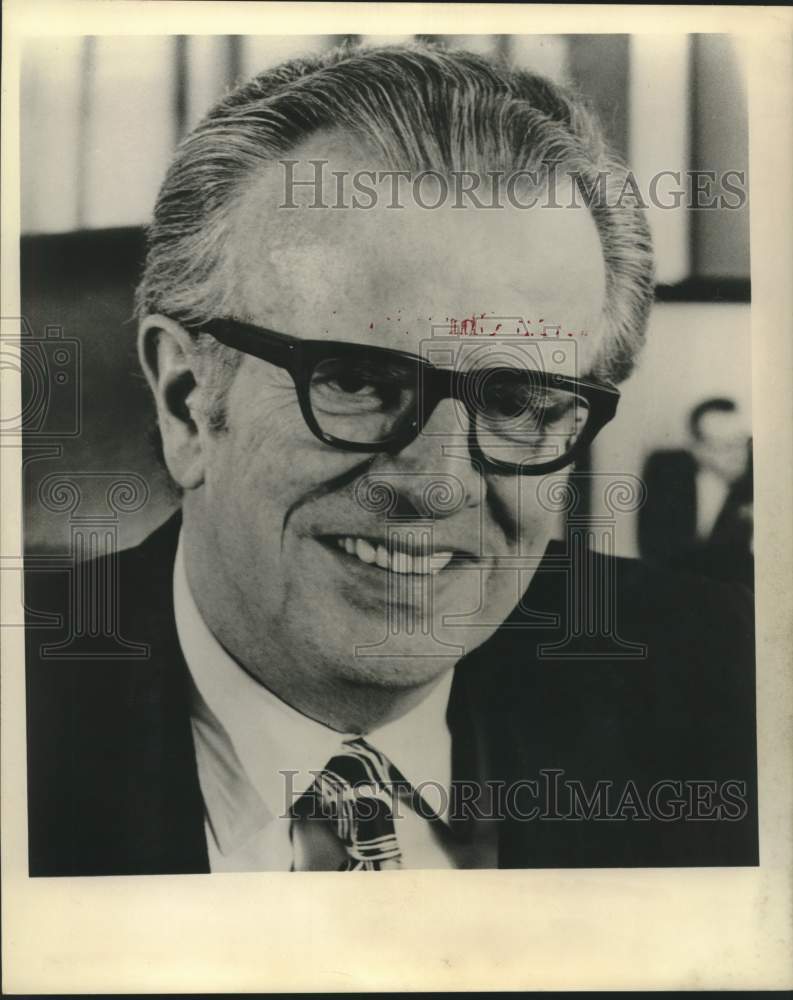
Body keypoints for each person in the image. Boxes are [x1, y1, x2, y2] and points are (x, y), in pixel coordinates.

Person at [25, 43, 757, 875]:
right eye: (357, 380)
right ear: (187, 398)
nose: (438, 482)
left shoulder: (721, 678)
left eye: (516, 401)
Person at [639, 398, 754, 589]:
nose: (739, 454)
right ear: (697, 449)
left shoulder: (760, 480)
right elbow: (655, 549)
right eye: (726, 446)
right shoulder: (665, 469)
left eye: (743, 441)